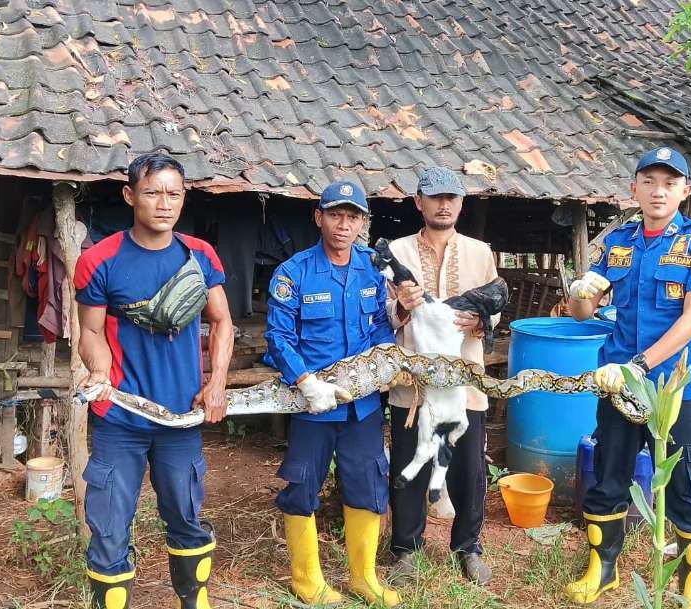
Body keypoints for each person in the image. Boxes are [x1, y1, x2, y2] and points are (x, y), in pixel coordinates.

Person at [565, 147, 691, 608]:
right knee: (608, 477)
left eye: (669, 183)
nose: (659, 191)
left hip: (677, 386)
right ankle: (602, 570)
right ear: (633, 187)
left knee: (687, 487)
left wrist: (641, 365)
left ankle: (690, 585)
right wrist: (580, 294)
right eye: (649, 181)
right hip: (617, 383)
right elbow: (581, 313)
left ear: (685, 191)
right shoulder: (618, 242)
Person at [75, 152, 235, 609]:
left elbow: (222, 323)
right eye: (152, 192)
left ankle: (194, 601)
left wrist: (217, 382)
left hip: (181, 417)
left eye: (174, 194)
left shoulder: (199, 256)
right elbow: (89, 331)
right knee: (108, 525)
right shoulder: (100, 260)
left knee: (186, 515)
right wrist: (100, 371)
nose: (164, 203)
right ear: (130, 196)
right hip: (119, 418)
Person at [264, 180, 401, 607]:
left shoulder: (372, 268)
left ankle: (364, 578)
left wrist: (384, 365)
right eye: (336, 215)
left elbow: (380, 322)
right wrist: (305, 381)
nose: (345, 225)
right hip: (314, 404)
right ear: (318, 217)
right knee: (302, 486)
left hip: (362, 405)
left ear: (363, 222)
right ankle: (308, 581)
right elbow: (278, 336)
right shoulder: (293, 272)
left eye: (353, 217)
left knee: (368, 484)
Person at [384, 167, 499, 586]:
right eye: (435, 197)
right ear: (419, 202)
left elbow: (495, 307)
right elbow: (384, 317)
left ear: (461, 203)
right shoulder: (397, 252)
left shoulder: (479, 252)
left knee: (468, 467)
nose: (444, 204)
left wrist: (480, 324)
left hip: (465, 380)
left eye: (452, 197)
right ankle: (406, 550)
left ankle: (467, 546)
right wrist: (401, 305)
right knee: (410, 466)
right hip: (413, 385)